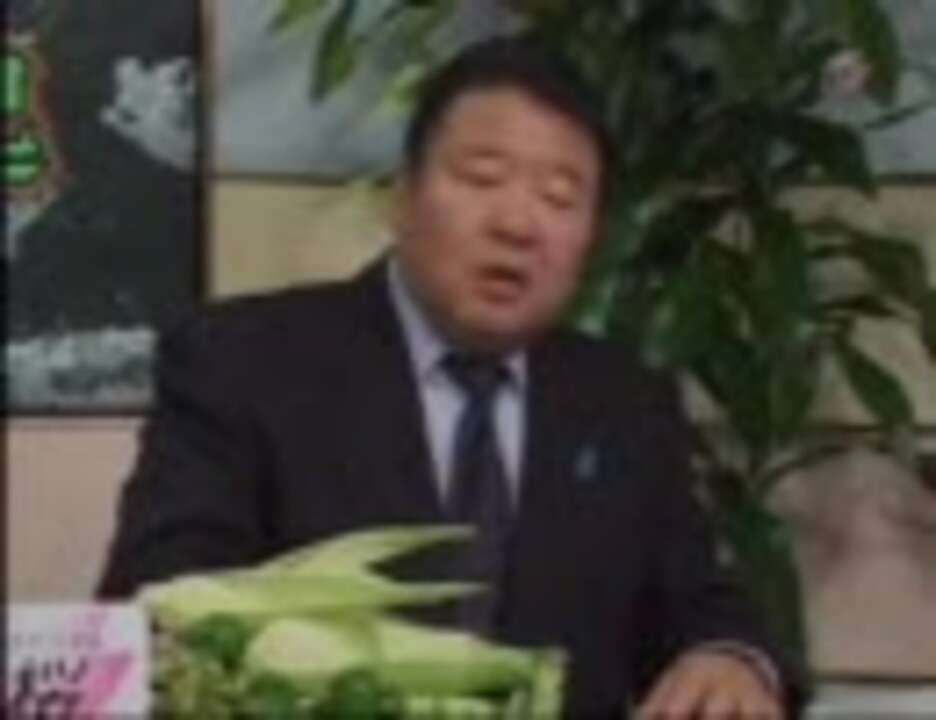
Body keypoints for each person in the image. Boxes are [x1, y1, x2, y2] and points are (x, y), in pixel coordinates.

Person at [99, 35, 806, 717]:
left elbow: (696, 598)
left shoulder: (624, 400)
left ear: (592, 237)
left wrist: (730, 658)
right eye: (482, 179)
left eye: (560, 198)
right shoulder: (243, 362)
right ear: (401, 199)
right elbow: (163, 602)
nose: (518, 224)